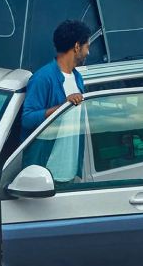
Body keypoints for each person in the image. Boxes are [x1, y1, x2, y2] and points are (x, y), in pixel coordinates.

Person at [20, 20, 91, 184]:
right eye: (87, 46)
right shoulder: (42, 78)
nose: (88, 52)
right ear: (76, 46)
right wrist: (62, 106)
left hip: (70, 172)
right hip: (45, 177)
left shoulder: (77, 78)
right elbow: (27, 119)